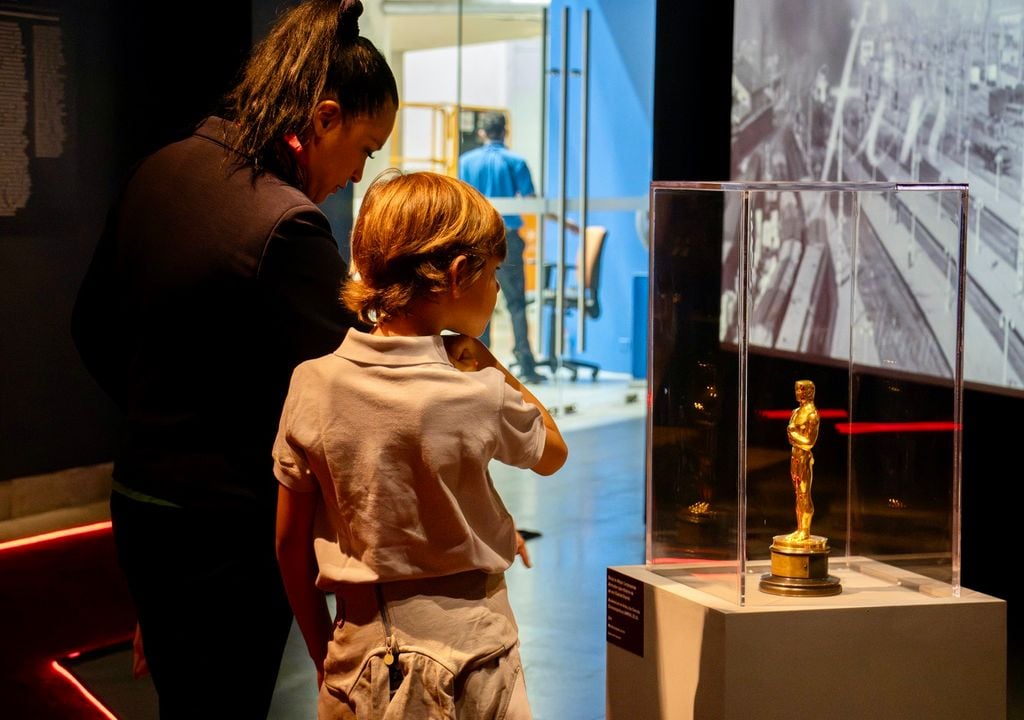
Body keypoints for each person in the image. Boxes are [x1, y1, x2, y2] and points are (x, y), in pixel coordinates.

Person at [69, 2, 397, 717]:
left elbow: (90, 327)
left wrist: (163, 420)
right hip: (225, 531)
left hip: (141, 506)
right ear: (327, 118)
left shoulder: (160, 169)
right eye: (366, 150)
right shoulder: (286, 223)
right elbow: (351, 398)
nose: (357, 176)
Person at [273, 170, 569, 718]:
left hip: (358, 655)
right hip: (476, 656)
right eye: (495, 272)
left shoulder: (311, 383)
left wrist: (326, 655)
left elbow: (290, 544)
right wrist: (492, 363)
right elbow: (553, 452)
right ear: (460, 274)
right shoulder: (479, 392)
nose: (498, 288)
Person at [458, 111, 546, 383]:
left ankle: (480, 359)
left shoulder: (466, 161)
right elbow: (530, 199)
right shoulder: (516, 161)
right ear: (505, 131)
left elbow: (465, 196)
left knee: (477, 298)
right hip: (507, 235)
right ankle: (525, 363)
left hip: (477, 236)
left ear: (482, 133)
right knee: (516, 302)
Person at [784, 379, 820, 543]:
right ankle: (800, 529)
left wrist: (793, 434)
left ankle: (805, 530)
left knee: (804, 494)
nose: (798, 392)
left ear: (810, 391)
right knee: (798, 494)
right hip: (795, 456)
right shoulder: (796, 411)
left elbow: (810, 442)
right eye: (797, 389)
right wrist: (794, 436)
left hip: (804, 457)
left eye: (801, 389)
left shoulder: (812, 414)